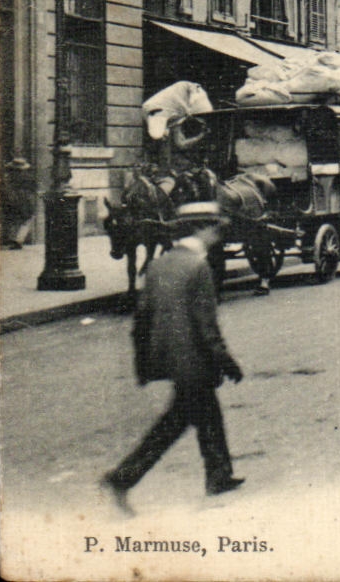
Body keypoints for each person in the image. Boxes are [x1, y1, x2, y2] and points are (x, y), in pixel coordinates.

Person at [101, 201, 245, 514]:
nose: (217, 237)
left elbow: (141, 321)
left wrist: (144, 365)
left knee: (208, 415)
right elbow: (207, 327)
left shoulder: (159, 265)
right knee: (173, 425)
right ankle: (122, 478)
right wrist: (227, 361)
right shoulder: (199, 268)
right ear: (202, 230)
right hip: (194, 361)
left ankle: (219, 474)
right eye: (215, 230)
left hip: (171, 358)